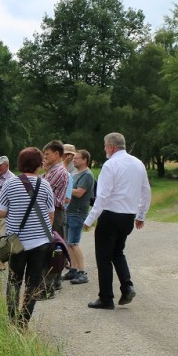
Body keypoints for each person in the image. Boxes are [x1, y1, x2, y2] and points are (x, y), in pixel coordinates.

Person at [83, 132, 151, 310]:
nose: (104, 149)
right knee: (117, 252)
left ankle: (106, 298)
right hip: (128, 216)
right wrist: (141, 215)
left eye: (105, 146)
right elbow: (146, 191)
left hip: (110, 215)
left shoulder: (110, 164)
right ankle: (127, 286)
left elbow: (102, 196)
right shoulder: (138, 163)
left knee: (104, 257)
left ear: (111, 147)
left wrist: (90, 219)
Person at [0, 148, 56, 326]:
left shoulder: (10, 184)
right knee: (33, 283)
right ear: (39, 164)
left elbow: (0, 213)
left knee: (14, 281)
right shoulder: (45, 185)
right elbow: (51, 216)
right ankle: (23, 322)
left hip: (16, 242)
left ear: (20, 163)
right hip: (40, 243)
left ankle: (12, 319)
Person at [42, 141, 70, 294]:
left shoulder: (59, 171)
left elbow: (39, 186)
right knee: (54, 246)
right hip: (52, 211)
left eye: (47, 154)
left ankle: (51, 283)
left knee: (54, 248)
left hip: (56, 213)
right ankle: (55, 280)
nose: (44, 157)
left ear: (57, 154)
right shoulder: (52, 170)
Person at [64, 149, 95, 284]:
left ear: (85, 160)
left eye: (77, 158)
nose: (74, 160)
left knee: (74, 243)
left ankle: (82, 272)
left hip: (77, 212)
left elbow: (79, 193)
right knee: (68, 243)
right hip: (69, 211)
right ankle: (73, 269)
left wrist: (63, 189)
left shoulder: (87, 175)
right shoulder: (75, 173)